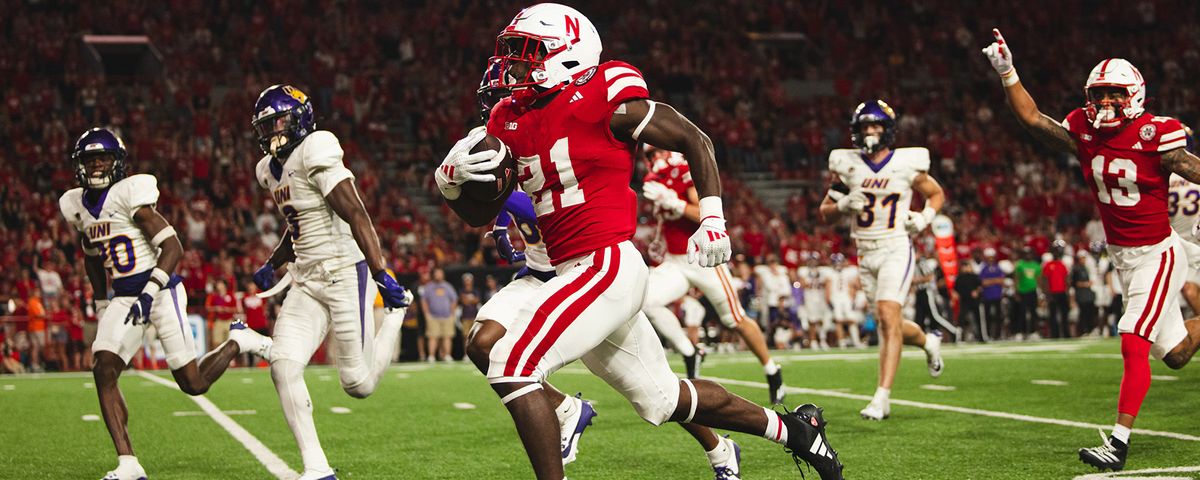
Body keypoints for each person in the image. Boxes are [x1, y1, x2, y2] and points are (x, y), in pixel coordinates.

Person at [436, 5, 843, 479]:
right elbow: (482, 211)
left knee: (512, 364)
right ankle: (798, 432)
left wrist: (712, 219)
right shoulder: (508, 117)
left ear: (567, 55)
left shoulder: (604, 92)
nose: (515, 65)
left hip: (606, 264)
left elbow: (695, 139)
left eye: (528, 54)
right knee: (663, 399)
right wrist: (451, 184)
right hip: (570, 273)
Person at [983, 30, 1200, 471]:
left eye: (1113, 95)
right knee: (1175, 354)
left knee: (1132, 340)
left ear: (1134, 95)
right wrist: (1008, 71)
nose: (1104, 104)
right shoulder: (1085, 131)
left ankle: (1117, 444)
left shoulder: (1156, 134)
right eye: (1098, 95)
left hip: (1158, 253)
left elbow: (1191, 167)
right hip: (1123, 257)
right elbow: (1032, 119)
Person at [58, 128, 260, 480]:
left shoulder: (129, 195)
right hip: (123, 295)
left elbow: (173, 248)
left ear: (117, 163)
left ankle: (238, 342)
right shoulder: (76, 206)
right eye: (90, 160)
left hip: (162, 290)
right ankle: (128, 462)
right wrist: (102, 302)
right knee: (103, 368)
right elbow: (91, 254)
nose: (96, 166)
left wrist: (151, 291)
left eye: (103, 158)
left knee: (193, 383)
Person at [249, 85, 412, 480]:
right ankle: (317, 469)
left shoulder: (316, 148)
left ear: (301, 118)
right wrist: (274, 262)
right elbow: (298, 223)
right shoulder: (267, 171)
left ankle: (396, 313)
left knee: (357, 384)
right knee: (284, 367)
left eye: (280, 122)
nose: (274, 132)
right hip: (305, 278)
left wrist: (380, 272)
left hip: (343, 271)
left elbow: (356, 213)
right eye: (267, 126)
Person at [818, 99, 945, 421]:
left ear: (887, 130)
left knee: (888, 316)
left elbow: (936, 193)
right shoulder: (847, 166)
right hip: (865, 251)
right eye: (865, 126)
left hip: (895, 246)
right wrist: (844, 205)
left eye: (876, 126)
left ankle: (882, 397)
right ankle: (929, 340)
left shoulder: (905, 164)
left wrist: (925, 216)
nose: (871, 131)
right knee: (892, 323)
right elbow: (825, 213)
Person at [641, 147, 785, 396]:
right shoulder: (654, 180)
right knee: (646, 301)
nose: (655, 158)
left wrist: (675, 202)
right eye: (649, 155)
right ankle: (690, 351)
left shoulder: (685, 170)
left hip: (702, 258)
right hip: (676, 260)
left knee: (735, 319)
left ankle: (772, 370)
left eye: (657, 151)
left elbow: (703, 214)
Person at [418, 268, 458, 362]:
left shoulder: (448, 286)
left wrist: (452, 313)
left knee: (447, 337)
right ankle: (431, 356)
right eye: (436, 273)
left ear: (443, 275)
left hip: (447, 316)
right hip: (433, 316)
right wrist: (427, 314)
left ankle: (447, 355)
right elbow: (423, 301)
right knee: (432, 337)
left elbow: (454, 300)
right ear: (433, 275)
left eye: (440, 273)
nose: (438, 275)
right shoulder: (428, 286)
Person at [1013, 247, 1042, 340]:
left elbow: (1039, 279)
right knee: (1021, 313)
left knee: (1033, 313)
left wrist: (1040, 292)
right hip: (1022, 291)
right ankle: (1020, 332)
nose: (1028, 255)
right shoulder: (1020, 265)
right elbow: (1017, 279)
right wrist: (1016, 291)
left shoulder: (1036, 265)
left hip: (1033, 291)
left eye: (1029, 253)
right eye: (1026, 253)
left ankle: (1033, 332)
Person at [1042, 243, 1071, 338]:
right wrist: (1047, 293)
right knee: (1053, 315)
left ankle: (1066, 334)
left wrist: (1067, 292)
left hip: (1062, 292)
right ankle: (1055, 334)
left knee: (1064, 315)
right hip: (1052, 293)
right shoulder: (1048, 265)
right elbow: (1045, 280)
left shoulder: (1062, 265)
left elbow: (1066, 279)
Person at [979, 248, 1007, 340]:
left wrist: (991, 281)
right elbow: (983, 283)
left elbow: (1002, 281)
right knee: (987, 316)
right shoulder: (984, 268)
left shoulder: (998, 267)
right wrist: (995, 280)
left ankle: (997, 335)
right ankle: (988, 334)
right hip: (987, 295)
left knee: (998, 316)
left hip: (997, 295)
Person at [1073, 250, 1098, 338]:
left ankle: (1091, 330)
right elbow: (1074, 283)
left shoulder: (1087, 268)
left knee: (1090, 313)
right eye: (1082, 258)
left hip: (1089, 294)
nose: (1083, 260)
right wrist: (1085, 284)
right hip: (1081, 295)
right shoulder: (1076, 269)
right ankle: (1083, 331)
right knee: (1083, 313)